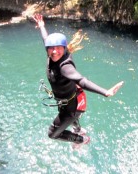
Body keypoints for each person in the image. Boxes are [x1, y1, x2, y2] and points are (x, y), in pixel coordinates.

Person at [33, 13, 124, 147]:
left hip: (72, 107)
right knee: (69, 117)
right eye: (51, 48)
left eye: (58, 48)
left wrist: (106, 92)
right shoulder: (52, 55)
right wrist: (41, 25)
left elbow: (82, 80)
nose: (54, 52)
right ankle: (78, 130)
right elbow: (46, 39)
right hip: (69, 100)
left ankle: (81, 140)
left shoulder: (64, 67)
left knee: (53, 134)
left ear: (63, 49)